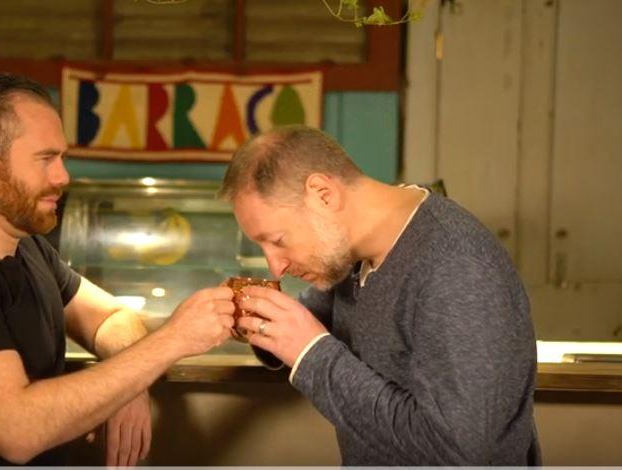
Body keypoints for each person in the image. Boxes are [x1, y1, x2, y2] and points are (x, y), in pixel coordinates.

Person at [0, 73, 235, 466]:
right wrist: (172, 340)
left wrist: (129, 385)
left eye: (62, 158)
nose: (62, 177)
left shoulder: (29, 249)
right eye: (45, 159)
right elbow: (17, 430)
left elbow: (110, 317)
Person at [218, 125, 540, 465]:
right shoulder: (352, 254)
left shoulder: (457, 266)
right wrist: (246, 315)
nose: (276, 267)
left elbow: (455, 451)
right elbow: (304, 324)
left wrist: (312, 355)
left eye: (278, 240)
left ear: (323, 194)